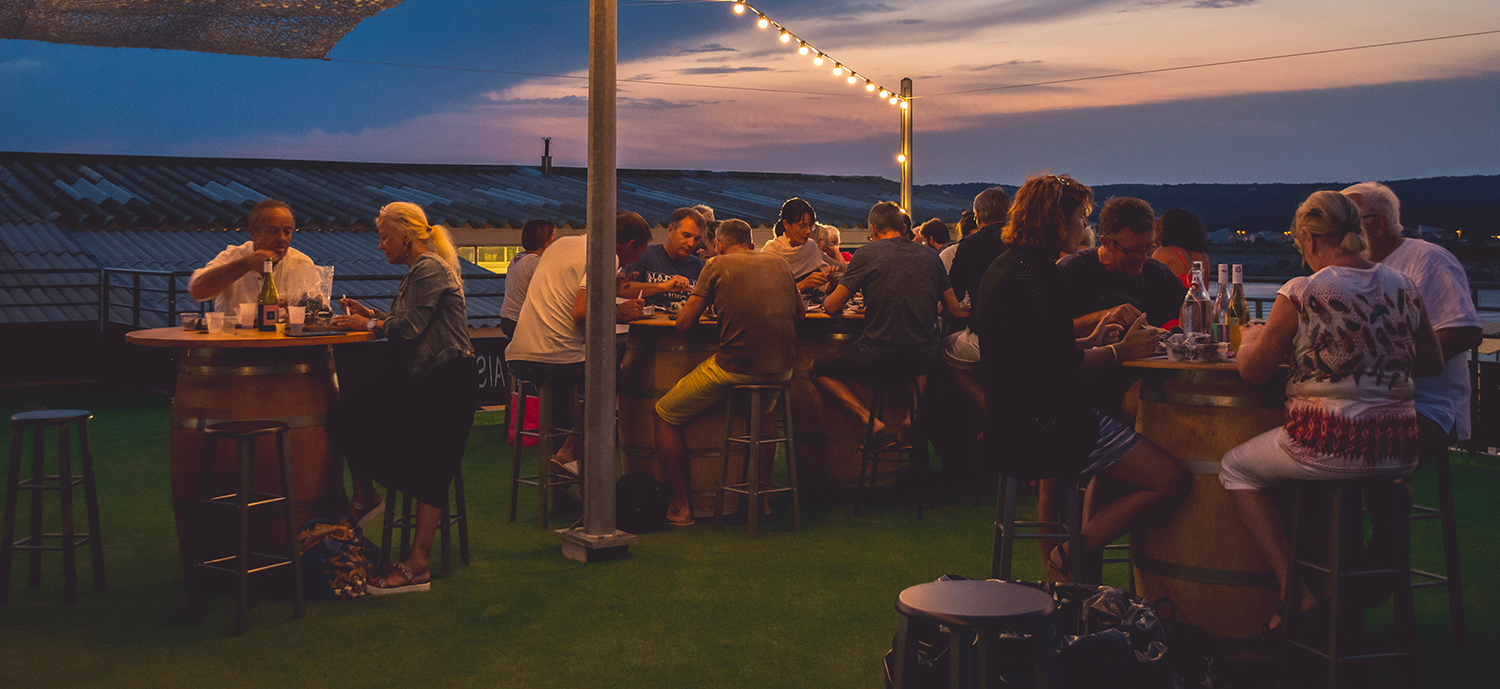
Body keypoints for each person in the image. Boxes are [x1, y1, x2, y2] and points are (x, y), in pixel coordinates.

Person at [1221, 190, 1444, 630]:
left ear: (1308, 238)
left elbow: (1252, 372)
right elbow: (1433, 363)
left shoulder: (1302, 290)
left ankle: (1292, 591)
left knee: (1235, 470)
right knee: (1329, 485)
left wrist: (1250, 338)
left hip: (1328, 443)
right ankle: (1343, 594)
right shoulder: (1403, 285)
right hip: (1398, 447)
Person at [975, 174, 1187, 582]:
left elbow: (1039, 348)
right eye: (1079, 218)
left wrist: (1093, 336)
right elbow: (1058, 365)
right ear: (1056, 220)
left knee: (1118, 443)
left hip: (1009, 420)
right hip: (1050, 424)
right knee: (1170, 479)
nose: (1083, 228)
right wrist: (1119, 352)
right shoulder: (1042, 274)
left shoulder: (1008, 266)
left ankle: (1074, 565)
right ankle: (1073, 553)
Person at [330, 202, 477, 594]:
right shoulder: (421, 270)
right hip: (437, 380)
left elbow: (409, 328)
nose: (380, 246)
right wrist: (372, 313)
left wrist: (371, 323)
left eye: (384, 236)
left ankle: (417, 561)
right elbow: (412, 319)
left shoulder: (427, 267)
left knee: (424, 461)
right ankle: (368, 496)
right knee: (351, 413)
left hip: (447, 381)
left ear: (407, 236)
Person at [653, 220, 804, 525]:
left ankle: (680, 506)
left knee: (663, 414)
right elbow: (800, 315)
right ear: (751, 241)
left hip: (735, 367)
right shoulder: (780, 263)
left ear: (719, 244)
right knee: (763, 416)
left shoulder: (716, 264)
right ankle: (762, 500)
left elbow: (684, 325)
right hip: (781, 369)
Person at [1344, 183, 1483, 461]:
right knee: (1301, 429)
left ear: (1380, 223)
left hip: (1425, 407)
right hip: (1365, 402)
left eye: (1349, 222)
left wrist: (1386, 368)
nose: (1341, 232)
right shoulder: (1352, 268)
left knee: (1338, 446)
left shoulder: (1429, 260)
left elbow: (1465, 332)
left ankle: (1383, 499)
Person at [505, 211, 651, 471]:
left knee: (574, 393)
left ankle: (565, 471)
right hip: (556, 358)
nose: (638, 258)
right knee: (613, 377)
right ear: (630, 244)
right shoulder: (606, 255)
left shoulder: (562, 244)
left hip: (519, 355)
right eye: (640, 251)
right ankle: (569, 454)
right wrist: (619, 312)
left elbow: (579, 290)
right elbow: (580, 312)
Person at [814, 202, 966, 442]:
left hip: (879, 353)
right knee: (921, 345)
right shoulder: (930, 255)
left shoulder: (866, 253)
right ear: (903, 227)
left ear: (873, 229)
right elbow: (954, 310)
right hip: (924, 355)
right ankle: (911, 416)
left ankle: (870, 421)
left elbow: (833, 306)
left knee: (817, 370)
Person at [1059, 197, 1186, 421]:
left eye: (1149, 248)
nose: (1142, 258)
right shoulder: (1073, 272)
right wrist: (1103, 318)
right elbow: (1048, 335)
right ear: (1105, 242)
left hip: (1145, 378)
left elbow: (1190, 310)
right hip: (1087, 390)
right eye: (1133, 251)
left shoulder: (1158, 274)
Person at [189, 198, 321, 313]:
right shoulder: (235, 256)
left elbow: (319, 312)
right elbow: (197, 290)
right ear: (253, 234)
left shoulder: (301, 262)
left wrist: (296, 307)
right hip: (237, 340)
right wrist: (245, 264)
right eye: (273, 232)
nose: (282, 238)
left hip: (286, 340)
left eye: (287, 232)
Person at [941, 187, 1011, 398]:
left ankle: (986, 409)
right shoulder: (1020, 241)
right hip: (1027, 335)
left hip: (987, 334)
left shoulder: (969, 245)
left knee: (944, 351)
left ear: (978, 217)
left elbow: (953, 295)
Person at [621, 207, 706, 308]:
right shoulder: (644, 255)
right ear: (670, 231)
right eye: (686, 235)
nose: (691, 244)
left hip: (681, 323)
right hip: (648, 323)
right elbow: (622, 289)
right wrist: (663, 286)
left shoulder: (700, 266)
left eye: (696, 239)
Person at [762, 197, 839, 293]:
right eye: (802, 226)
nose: (808, 231)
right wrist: (802, 285)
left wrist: (830, 281)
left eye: (810, 226)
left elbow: (822, 288)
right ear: (786, 224)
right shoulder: (771, 253)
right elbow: (768, 293)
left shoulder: (810, 246)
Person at [499, 219, 557, 337]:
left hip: (508, 319)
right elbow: (548, 295)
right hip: (523, 322)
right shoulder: (535, 262)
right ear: (542, 238)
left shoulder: (518, 257)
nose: (555, 239)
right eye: (551, 235)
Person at [1151, 208, 1210, 288]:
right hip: (1200, 300)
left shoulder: (1164, 253)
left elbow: (1149, 283)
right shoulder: (1203, 257)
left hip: (1173, 300)